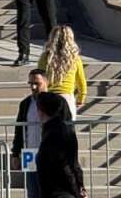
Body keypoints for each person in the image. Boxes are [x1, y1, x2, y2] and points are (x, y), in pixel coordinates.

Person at [34, 92, 86, 198]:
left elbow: (65, 166)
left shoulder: (55, 133)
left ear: (42, 111)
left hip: (60, 192)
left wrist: (76, 191)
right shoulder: (57, 129)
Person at [12, 69, 52, 198]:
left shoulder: (57, 102)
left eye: (37, 83)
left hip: (50, 154)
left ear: (46, 82)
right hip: (30, 154)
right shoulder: (26, 104)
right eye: (30, 84)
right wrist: (15, 153)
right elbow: (19, 130)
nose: (33, 87)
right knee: (33, 192)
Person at [38, 25, 86, 120]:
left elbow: (40, 79)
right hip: (67, 97)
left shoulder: (45, 57)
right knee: (67, 131)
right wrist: (81, 98)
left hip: (49, 96)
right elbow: (81, 82)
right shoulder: (75, 59)